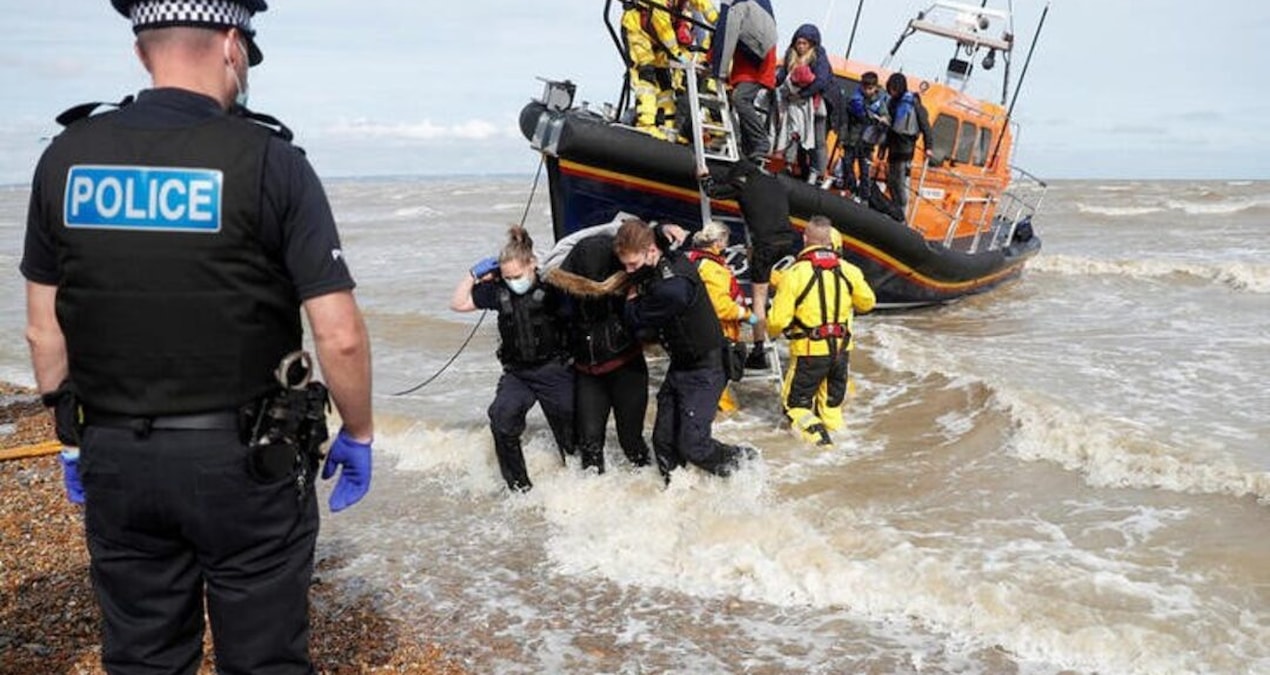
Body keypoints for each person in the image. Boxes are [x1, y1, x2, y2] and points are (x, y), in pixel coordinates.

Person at [20, 1, 375, 671]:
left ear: (141, 51)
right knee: (263, 657)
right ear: (232, 45)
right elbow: (340, 334)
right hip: (246, 463)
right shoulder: (271, 161)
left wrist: (71, 439)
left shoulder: (66, 158)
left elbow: (44, 328)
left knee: (144, 655)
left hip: (116, 455)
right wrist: (358, 433)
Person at [615, 218, 754, 481]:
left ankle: (747, 465)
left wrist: (631, 299)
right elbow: (655, 236)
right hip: (681, 365)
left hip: (706, 369)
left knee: (694, 446)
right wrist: (661, 228)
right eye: (625, 265)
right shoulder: (665, 255)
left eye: (632, 265)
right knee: (663, 441)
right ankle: (677, 496)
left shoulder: (672, 289)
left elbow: (635, 320)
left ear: (651, 251)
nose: (629, 271)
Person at [451, 225, 574, 492]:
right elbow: (458, 303)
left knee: (570, 434)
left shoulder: (552, 287)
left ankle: (577, 487)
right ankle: (519, 488)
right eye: (507, 277)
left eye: (517, 275)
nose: (513, 281)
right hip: (519, 374)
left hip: (554, 370)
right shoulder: (499, 291)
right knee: (501, 419)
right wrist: (473, 274)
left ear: (532, 265)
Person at [542, 220, 652, 475]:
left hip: (627, 369)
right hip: (587, 372)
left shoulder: (631, 281)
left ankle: (652, 490)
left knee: (631, 442)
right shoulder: (564, 288)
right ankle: (593, 504)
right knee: (590, 446)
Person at [766, 216, 875, 446]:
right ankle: (846, 445)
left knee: (796, 406)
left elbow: (777, 321)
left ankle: (822, 447)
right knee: (831, 407)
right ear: (829, 241)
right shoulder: (849, 270)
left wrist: (768, 328)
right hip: (841, 353)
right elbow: (867, 303)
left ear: (805, 239)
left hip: (809, 353)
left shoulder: (794, 274)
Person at [702, 158, 800, 369]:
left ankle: (758, 350)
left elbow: (712, 191)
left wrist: (703, 175)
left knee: (758, 297)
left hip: (765, 244)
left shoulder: (742, 183)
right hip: (787, 241)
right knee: (774, 278)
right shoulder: (776, 183)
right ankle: (790, 324)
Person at [687, 222, 757, 412]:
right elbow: (722, 307)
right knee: (717, 389)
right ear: (717, 243)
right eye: (725, 241)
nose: (727, 246)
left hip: (701, 333)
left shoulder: (695, 261)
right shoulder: (713, 268)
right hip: (717, 334)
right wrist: (748, 316)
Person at [708, 0, 778, 163]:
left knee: (740, 99)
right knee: (739, 100)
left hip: (756, 63)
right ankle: (747, 147)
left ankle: (760, 142)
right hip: (750, 60)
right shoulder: (754, 5)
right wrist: (712, 60)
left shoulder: (735, 6)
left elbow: (727, 35)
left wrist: (719, 70)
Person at [774, 24, 833, 181]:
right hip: (796, 106)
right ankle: (788, 166)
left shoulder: (818, 57)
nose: (801, 47)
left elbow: (821, 81)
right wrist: (771, 83)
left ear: (812, 44)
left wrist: (802, 94)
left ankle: (819, 174)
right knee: (793, 134)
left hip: (815, 106)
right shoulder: (791, 57)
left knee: (817, 142)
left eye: (804, 43)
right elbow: (781, 76)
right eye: (798, 43)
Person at [621, 0, 687, 140]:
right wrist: (678, 54)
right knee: (646, 77)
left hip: (656, 40)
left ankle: (669, 127)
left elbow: (705, 6)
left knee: (666, 84)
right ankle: (645, 124)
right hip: (637, 30)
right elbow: (664, 29)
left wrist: (719, 23)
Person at [881, 71, 934, 219]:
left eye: (894, 88)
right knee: (891, 181)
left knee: (900, 183)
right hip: (893, 147)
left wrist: (928, 147)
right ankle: (895, 211)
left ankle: (902, 214)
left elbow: (925, 126)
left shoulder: (914, 104)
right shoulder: (892, 102)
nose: (892, 92)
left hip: (905, 149)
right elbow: (890, 127)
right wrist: (882, 148)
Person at [841, 71, 889, 202]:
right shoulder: (854, 98)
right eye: (864, 87)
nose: (867, 91)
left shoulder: (880, 101)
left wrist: (883, 120)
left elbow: (885, 114)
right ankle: (850, 189)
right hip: (852, 137)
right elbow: (854, 112)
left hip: (867, 141)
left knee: (865, 168)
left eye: (870, 88)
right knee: (847, 163)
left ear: (875, 88)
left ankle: (864, 196)